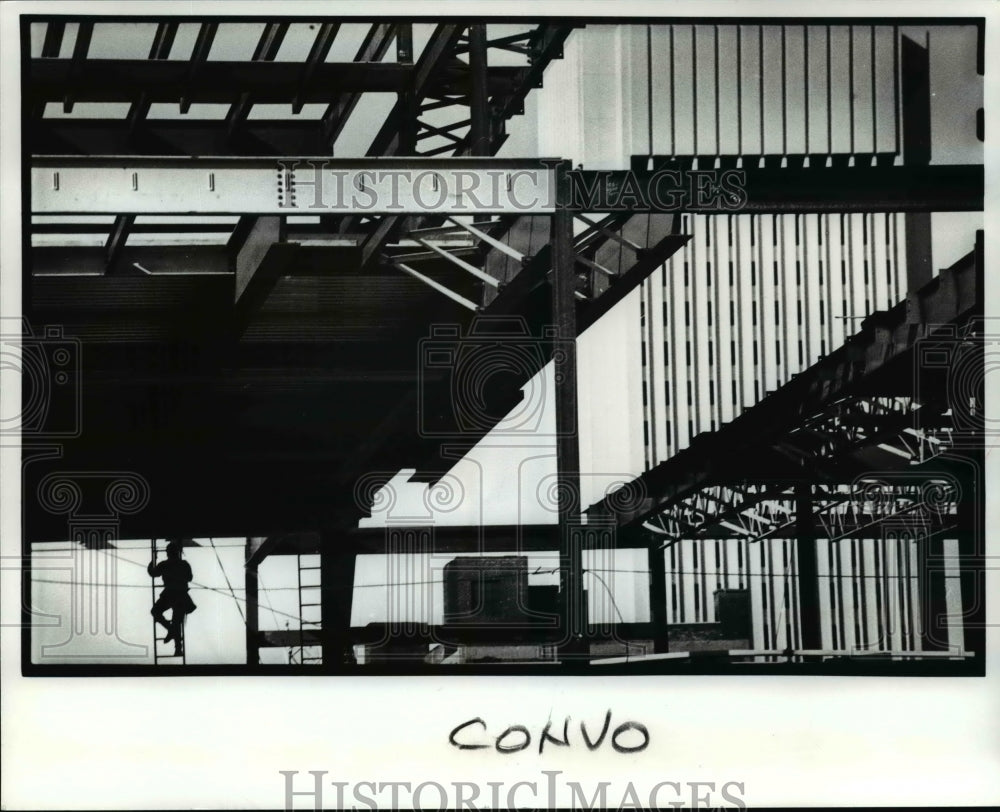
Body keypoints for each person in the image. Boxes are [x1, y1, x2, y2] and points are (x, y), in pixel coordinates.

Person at [147, 540, 196, 656]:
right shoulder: (184, 564)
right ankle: (176, 642)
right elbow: (189, 578)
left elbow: (153, 573)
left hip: (170, 595)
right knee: (176, 621)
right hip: (180, 595)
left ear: (168, 553)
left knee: (157, 612)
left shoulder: (165, 564)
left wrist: (152, 562)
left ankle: (172, 632)